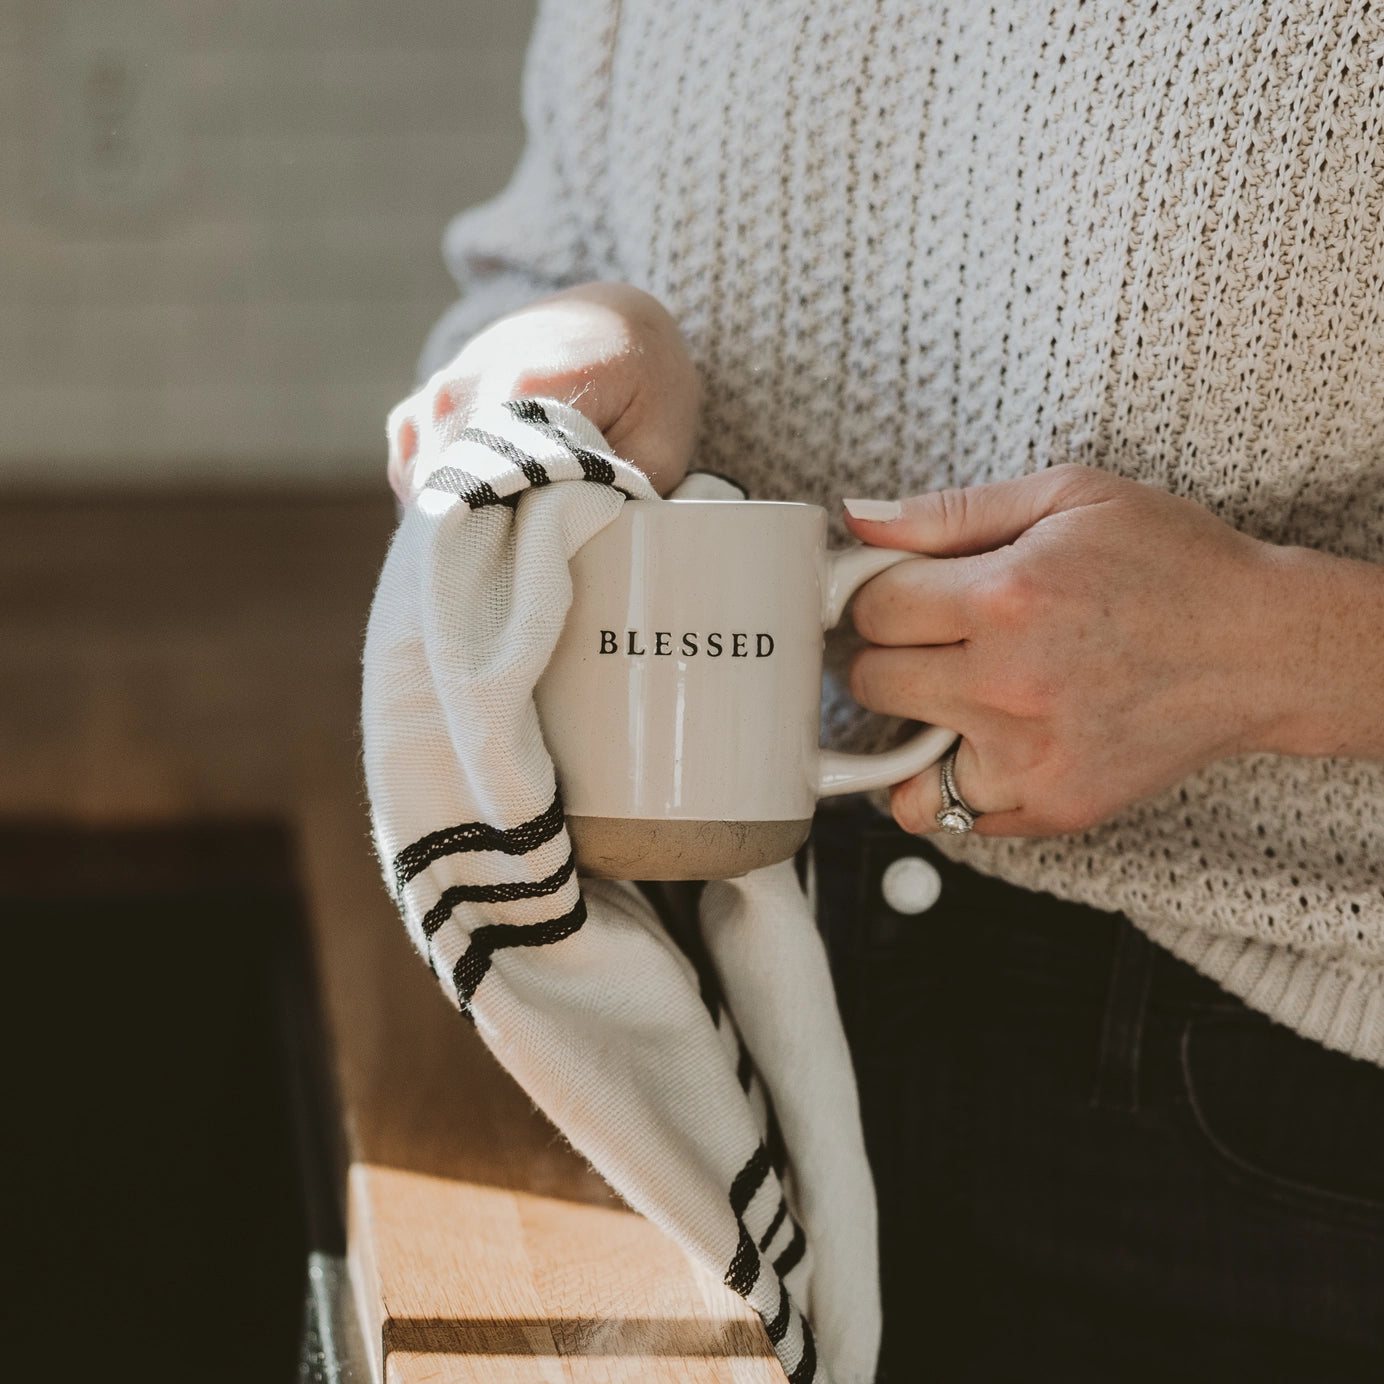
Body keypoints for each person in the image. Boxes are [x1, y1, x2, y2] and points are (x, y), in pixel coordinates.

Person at [386, 3, 1384, 1378]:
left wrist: (1278, 651)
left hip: (1266, 1138)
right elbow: (525, 268)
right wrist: (569, 339)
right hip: (673, 1023)